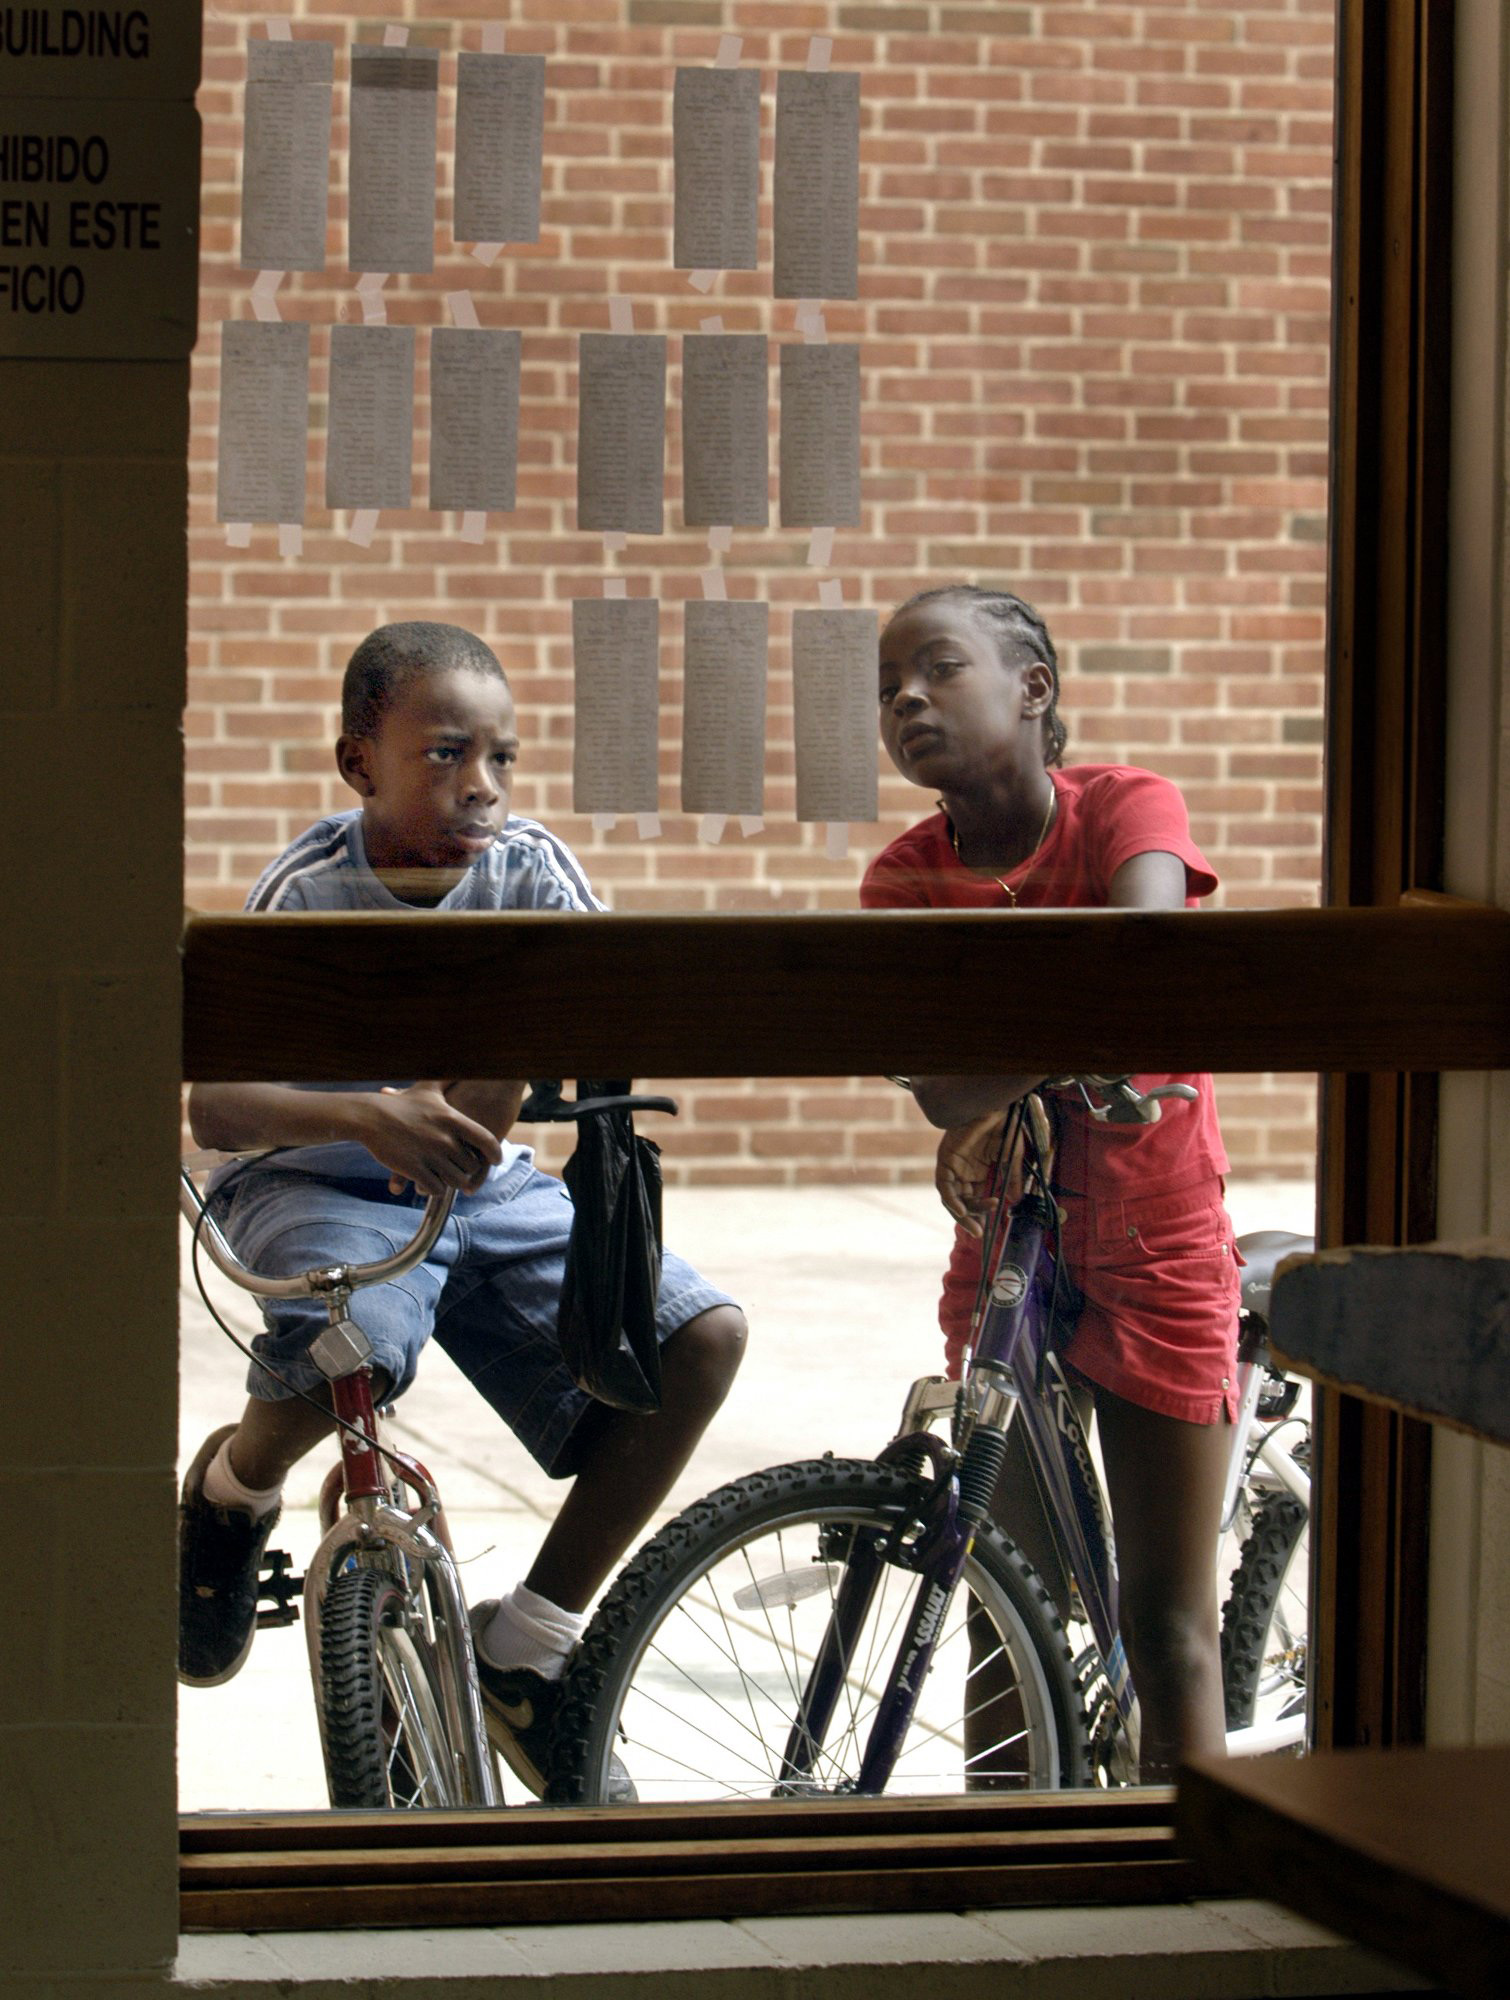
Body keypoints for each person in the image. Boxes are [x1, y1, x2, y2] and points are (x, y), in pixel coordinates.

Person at [179, 620, 747, 1798]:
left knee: (700, 1337)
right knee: (361, 1346)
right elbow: (219, 1109)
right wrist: (375, 1115)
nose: (480, 785)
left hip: (477, 1182)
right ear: (359, 763)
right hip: (315, 1176)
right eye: (443, 754)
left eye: (501, 757)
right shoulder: (307, 888)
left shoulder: (527, 864)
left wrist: (486, 1086)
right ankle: (233, 1492)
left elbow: (603, 1005)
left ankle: (526, 1642)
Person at [861, 582, 1239, 1781]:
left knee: (1166, 1621)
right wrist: (1064, 1033)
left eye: (936, 668)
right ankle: (1010, 1868)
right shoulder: (902, 878)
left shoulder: (1130, 806)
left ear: (1033, 688)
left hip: (1156, 1233)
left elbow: (1141, 975)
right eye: (887, 689)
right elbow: (938, 1086)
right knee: (1000, 1603)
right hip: (1007, 1247)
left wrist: (1012, 1053)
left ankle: (1191, 1887)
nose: (907, 699)